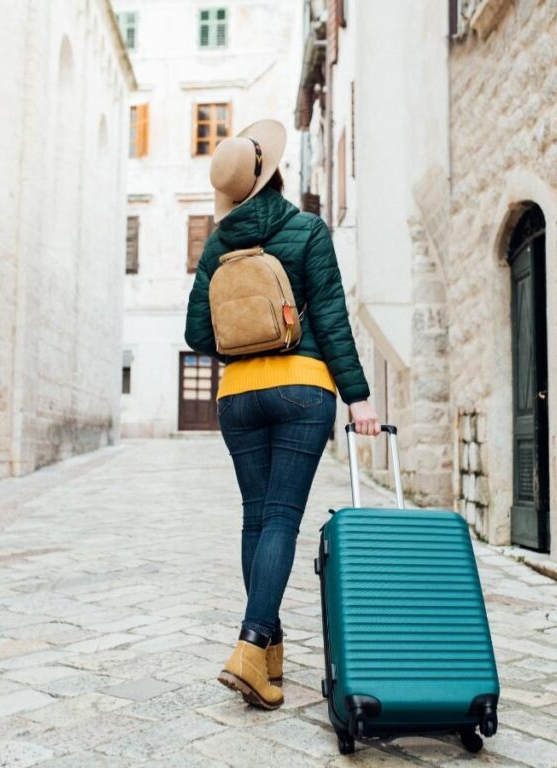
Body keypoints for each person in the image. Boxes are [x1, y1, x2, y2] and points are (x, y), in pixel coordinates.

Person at [184, 118, 380, 710]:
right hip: (301, 389)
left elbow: (197, 333)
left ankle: (267, 655)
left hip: (238, 397)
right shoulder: (308, 231)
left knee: (255, 519)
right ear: (273, 176)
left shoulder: (217, 247)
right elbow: (331, 321)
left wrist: (244, 339)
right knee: (281, 521)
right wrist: (359, 397)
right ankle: (250, 644)